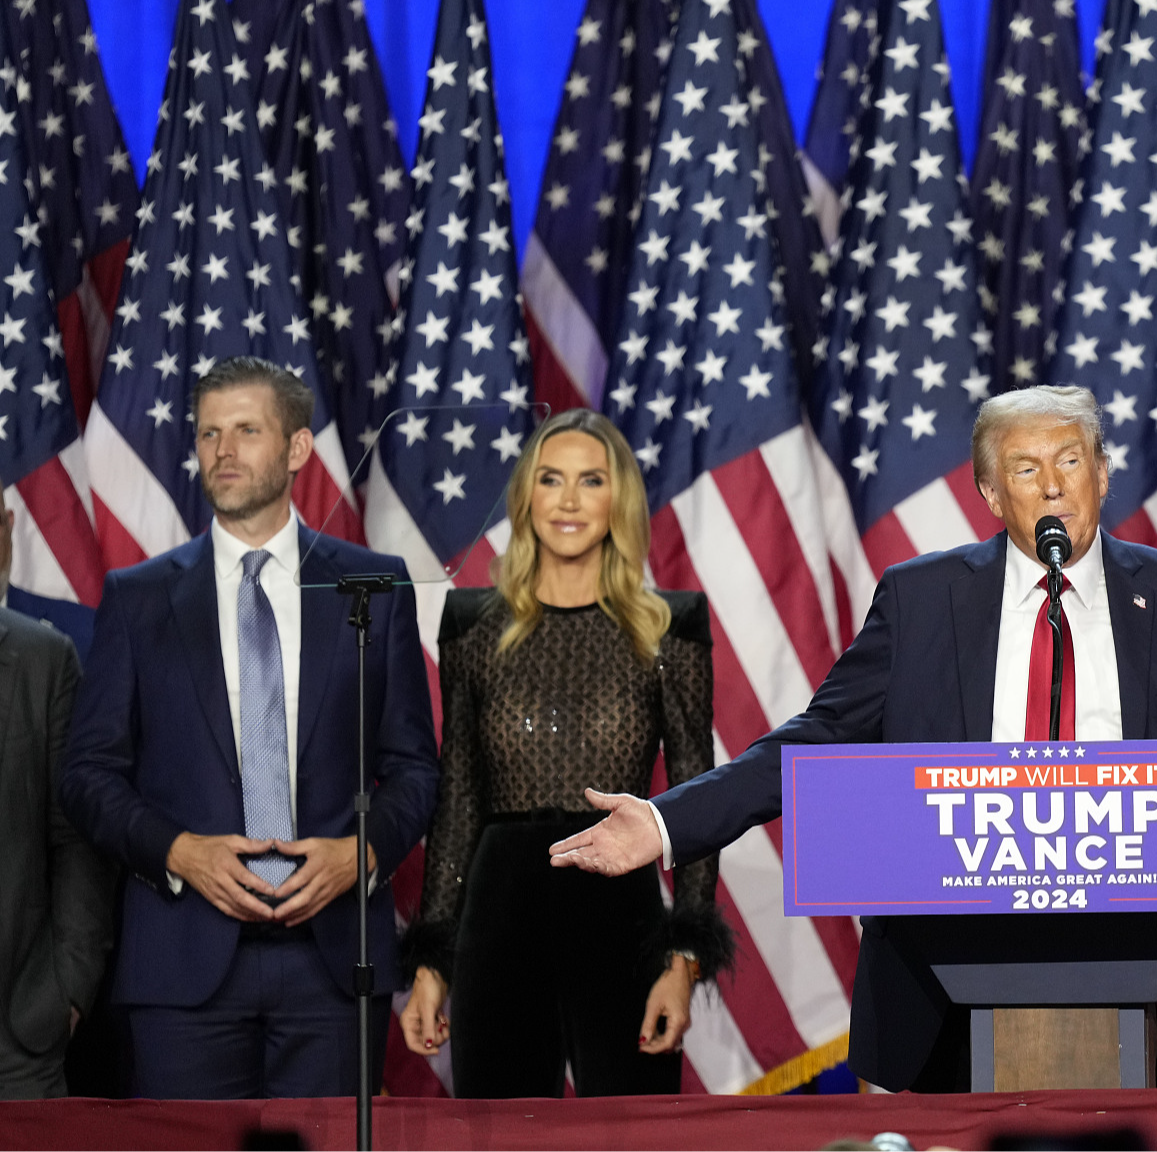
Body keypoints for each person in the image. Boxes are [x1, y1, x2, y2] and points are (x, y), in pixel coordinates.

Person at [549, 385, 1157, 1091]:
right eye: (1025, 468)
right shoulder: (923, 600)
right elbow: (814, 741)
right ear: (991, 495)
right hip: (950, 948)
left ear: (1102, 476)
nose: (1052, 483)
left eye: (1070, 461)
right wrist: (670, 826)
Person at [59, 358, 440, 1099]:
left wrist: (359, 854)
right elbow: (86, 774)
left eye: (246, 431)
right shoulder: (138, 598)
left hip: (332, 963)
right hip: (181, 964)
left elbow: (415, 767)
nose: (223, 451)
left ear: (298, 449)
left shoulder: (373, 585)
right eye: (208, 433)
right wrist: (179, 851)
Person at [396, 409, 730, 1097]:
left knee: (633, 1142)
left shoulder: (670, 626)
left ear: (620, 501)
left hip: (622, 919)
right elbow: (457, 796)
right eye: (551, 480)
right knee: (499, 1140)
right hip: (498, 915)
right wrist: (432, 960)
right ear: (526, 498)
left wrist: (685, 959)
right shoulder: (471, 626)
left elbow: (696, 795)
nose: (570, 501)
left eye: (590, 481)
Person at [0, 506, 117, 1097]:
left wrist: (67, 988)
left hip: (18, 1038)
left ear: (9, 529)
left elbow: (77, 836)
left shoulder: (47, 660)